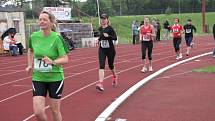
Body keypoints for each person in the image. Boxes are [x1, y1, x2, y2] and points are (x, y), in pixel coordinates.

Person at [26, 11, 69, 121]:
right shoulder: (34, 37)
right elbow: (30, 50)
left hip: (55, 78)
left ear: (51, 22)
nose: (42, 21)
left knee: (54, 111)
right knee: (38, 113)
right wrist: (29, 65)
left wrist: (53, 62)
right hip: (38, 77)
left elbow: (65, 59)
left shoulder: (57, 38)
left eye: (45, 19)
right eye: (40, 19)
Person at [96, 14, 118, 91]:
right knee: (101, 65)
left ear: (107, 20)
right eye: (101, 19)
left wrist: (108, 36)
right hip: (102, 49)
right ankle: (100, 83)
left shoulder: (110, 28)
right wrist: (98, 40)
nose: (103, 20)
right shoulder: (100, 28)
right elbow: (101, 36)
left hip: (110, 50)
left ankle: (115, 76)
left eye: (104, 19)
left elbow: (115, 38)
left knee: (110, 65)